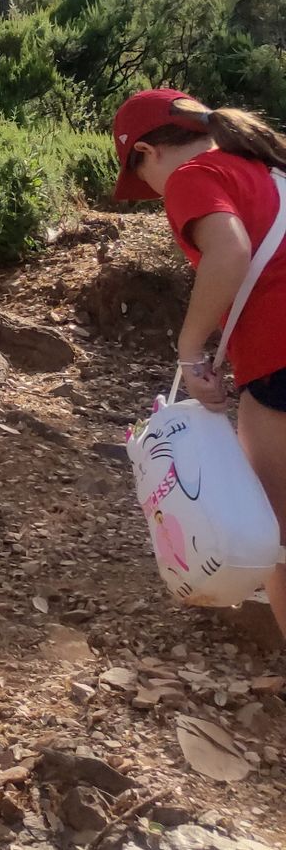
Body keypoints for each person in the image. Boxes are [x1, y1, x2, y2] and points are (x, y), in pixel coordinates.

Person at [111, 88, 286, 637]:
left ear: (146, 151)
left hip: (278, 358)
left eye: (142, 178)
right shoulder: (266, 169)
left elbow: (229, 251)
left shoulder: (193, 176)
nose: (153, 192)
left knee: (278, 533)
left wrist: (190, 351)